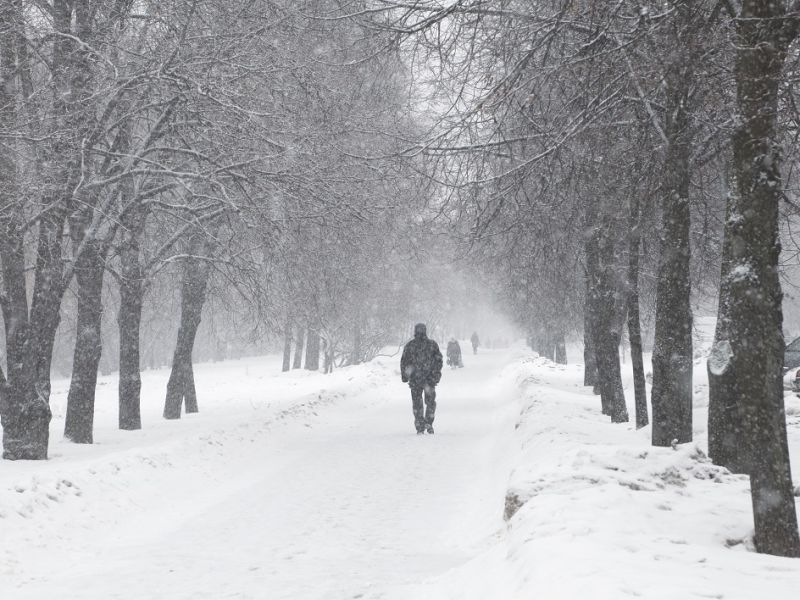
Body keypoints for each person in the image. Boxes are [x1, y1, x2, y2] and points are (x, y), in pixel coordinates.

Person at [401, 323, 443, 434]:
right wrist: (436, 375)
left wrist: (405, 376)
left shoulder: (410, 346)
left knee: (417, 403)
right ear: (425, 331)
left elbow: (404, 362)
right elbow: (438, 361)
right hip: (429, 379)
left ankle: (420, 424)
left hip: (415, 380)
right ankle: (428, 422)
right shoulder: (432, 345)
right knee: (430, 402)